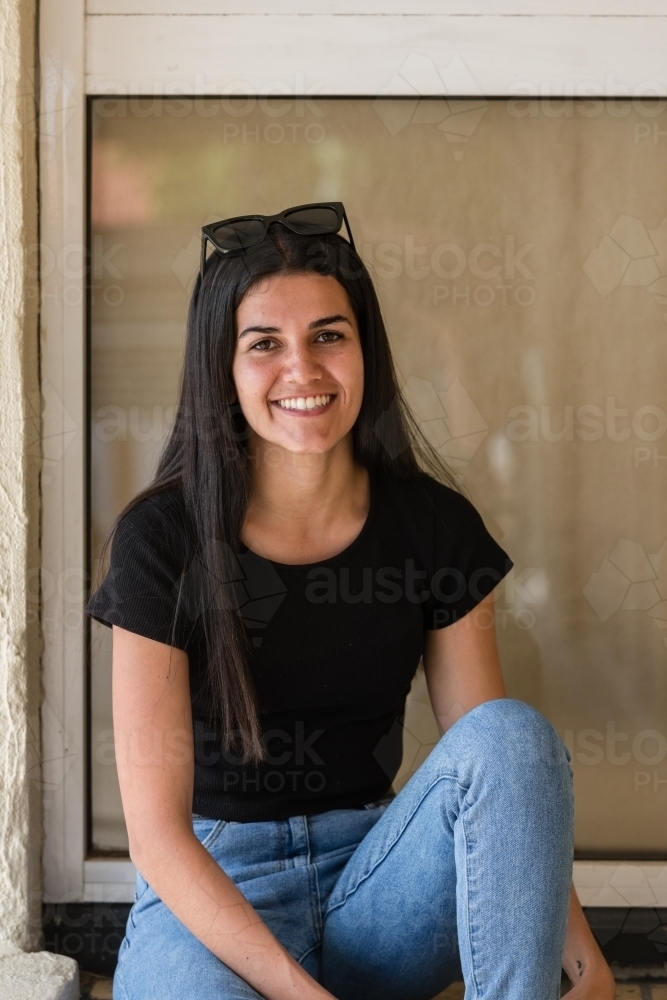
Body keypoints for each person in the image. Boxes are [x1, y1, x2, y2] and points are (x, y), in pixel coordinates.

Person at [86, 204, 616, 1000]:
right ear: (221, 368)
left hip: (378, 883)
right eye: (264, 344)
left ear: (364, 348)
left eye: (329, 335)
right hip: (215, 895)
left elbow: (503, 781)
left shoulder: (432, 525)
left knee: (512, 731)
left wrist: (581, 960)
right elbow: (158, 838)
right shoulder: (162, 539)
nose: (302, 370)